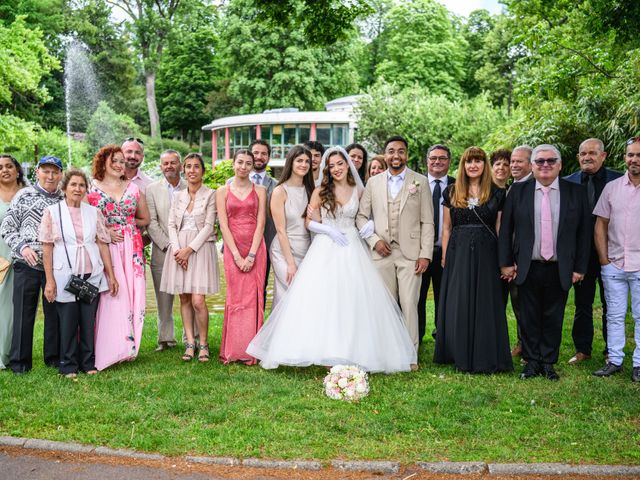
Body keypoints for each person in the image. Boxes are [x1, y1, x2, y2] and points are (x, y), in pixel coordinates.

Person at [247, 147, 417, 373]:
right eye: (332, 165)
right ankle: (321, 348)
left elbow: (369, 215)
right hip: (327, 246)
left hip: (353, 246)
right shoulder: (320, 190)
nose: (336, 169)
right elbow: (308, 221)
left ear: (348, 165)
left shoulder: (359, 190)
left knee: (353, 297)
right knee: (323, 298)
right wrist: (327, 230)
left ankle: (353, 349)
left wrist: (369, 226)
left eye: (340, 164)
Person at [499, 144, 591, 380]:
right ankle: (531, 362)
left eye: (551, 161)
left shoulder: (575, 192)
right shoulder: (518, 191)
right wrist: (506, 263)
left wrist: (580, 267)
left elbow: (584, 233)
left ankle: (548, 362)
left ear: (560, 165)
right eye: (540, 161)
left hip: (560, 266)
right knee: (528, 316)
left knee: (554, 316)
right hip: (527, 265)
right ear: (532, 166)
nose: (545, 165)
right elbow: (506, 229)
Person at [433, 147, 512, 373]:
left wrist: (502, 258)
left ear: (484, 165)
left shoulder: (497, 192)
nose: (473, 165)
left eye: (478, 161)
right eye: (469, 162)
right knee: (460, 300)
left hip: (487, 252)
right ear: (463, 165)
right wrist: (446, 258)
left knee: (485, 300)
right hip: (458, 252)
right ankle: (458, 351)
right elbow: (447, 228)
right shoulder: (451, 191)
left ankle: (484, 352)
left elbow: (499, 228)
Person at [356, 135, 434, 353]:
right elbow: (361, 217)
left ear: (406, 154)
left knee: (409, 304)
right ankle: (384, 353)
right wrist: (374, 240)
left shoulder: (420, 181)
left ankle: (410, 354)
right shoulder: (373, 182)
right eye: (391, 151)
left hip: (411, 254)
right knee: (384, 304)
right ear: (385, 154)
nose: (396, 155)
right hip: (381, 253)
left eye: (401, 151)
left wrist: (425, 254)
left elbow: (427, 220)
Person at [40, 169, 118, 378]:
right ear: (64, 188)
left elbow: (102, 244)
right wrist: (49, 281)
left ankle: (87, 362)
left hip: (91, 274)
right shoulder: (52, 212)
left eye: (81, 185)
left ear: (86, 189)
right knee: (67, 322)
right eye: (73, 185)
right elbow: (47, 247)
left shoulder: (93, 212)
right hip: (64, 274)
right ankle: (67, 364)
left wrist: (111, 275)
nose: (77, 189)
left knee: (87, 321)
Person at [87, 145, 150, 371]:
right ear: (103, 161)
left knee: (132, 294)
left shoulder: (133, 189)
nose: (119, 164)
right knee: (111, 294)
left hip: (131, 248)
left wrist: (128, 226)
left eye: (122, 161)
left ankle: (129, 347)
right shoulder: (91, 190)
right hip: (106, 248)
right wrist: (105, 229)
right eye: (115, 160)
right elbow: (85, 222)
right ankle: (108, 347)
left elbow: (145, 218)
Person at [1, 155, 63, 374]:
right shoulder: (23, 195)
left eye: (55, 171)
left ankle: (54, 358)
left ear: (60, 175)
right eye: (46, 171)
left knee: (54, 312)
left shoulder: (63, 199)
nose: (50, 175)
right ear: (37, 172)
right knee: (23, 314)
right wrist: (22, 247)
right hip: (25, 263)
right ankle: (20, 362)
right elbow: (7, 228)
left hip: (55, 266)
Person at [564, 138, 622, 365]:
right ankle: (582, 349)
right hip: (582, 255)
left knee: (612, 304)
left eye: (592, 153)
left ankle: (611, 349)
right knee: (582, 303)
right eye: (583, 154)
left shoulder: (618, 180)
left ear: (603, 156)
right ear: (578, 157)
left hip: (613, 251)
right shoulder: (568, 182)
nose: (587, 157)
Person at [161, 153, 218, 363]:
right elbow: (171, 225)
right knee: (184, 297)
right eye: (188, 167)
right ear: (183, 170)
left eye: (196, 167)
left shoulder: (211, 194)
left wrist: (189, 250)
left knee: (198, 300)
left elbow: (209, 226)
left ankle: (203, 343)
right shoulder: (178, 196)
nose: (192, 170)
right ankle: (190, 344)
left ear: (202, 171)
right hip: (178, 250)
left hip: (200, 249)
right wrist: (178, 250)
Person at [592, 137, 640, 382]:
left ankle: (639, 364)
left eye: (638, 155)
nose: (634, 159)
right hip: (614, 264)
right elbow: (600, 224)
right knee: (614, 314)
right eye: (631, 155)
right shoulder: (611, 189)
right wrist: (603, 260)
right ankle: (615, 360)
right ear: (624, 158)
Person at [216, 149, 267, 365]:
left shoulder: (261, 190)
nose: (244, 167)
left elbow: (261, 221)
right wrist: (237, 256)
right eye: (240, 162)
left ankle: (251, 351)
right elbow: (223, 224)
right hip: (232, 248)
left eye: (248, 163)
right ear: (233, 164)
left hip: (256, 247)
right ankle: (233, 349)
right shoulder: (221, 191)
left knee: (253, 298)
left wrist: (252, 254)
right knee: (236, 297)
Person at [146, 150, 186, 352]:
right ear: (160, 167)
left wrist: (183, 247)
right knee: (163, 297)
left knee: (189, 294)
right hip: (163, 250)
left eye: (173, 162)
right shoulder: (151, 190)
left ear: (180, 165)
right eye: (165, 163)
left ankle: (192, 336)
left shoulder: (191, 186)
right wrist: (170, 246)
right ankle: (165, 339)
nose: (169, 166)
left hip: (188, 250)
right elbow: (151, 222)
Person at [418, 144, 455, 344]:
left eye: (442, 158)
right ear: (427, 161)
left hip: (446, 252)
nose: (437, 162)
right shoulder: (417, 183)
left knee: (445, 297)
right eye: (433, 158)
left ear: (449, 161)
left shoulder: (457, 186)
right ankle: (416, 336)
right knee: (417, 298)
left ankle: (444, 337)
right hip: (419, 252)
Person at [269, 145, 314, 308]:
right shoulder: (280, 191)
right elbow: (280, 230)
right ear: (291, 163)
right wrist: (290, 263)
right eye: (299, 160)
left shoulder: (311, 190)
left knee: (307, 297)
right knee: (290, 295)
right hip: (283, 250)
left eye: (307, 161)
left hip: (307, 249)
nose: (304, 164)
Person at [507, 145, 533, 358]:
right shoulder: (511, 186)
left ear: (531, 164)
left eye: (519, 161)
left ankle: (528, 345)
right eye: (512, 161)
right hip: (509, 257)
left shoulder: (534, 187)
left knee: (527, 305)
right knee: (517, 303)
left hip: (526, 258)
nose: (513, 165)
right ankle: (522, 342)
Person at [0, 154, 26, 369]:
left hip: (23, 257)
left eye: (9, 166)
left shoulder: (27, 194)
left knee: (17, 307)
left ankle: (11, 353)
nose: (4, 170)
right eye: (0, 167)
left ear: (18, 170)